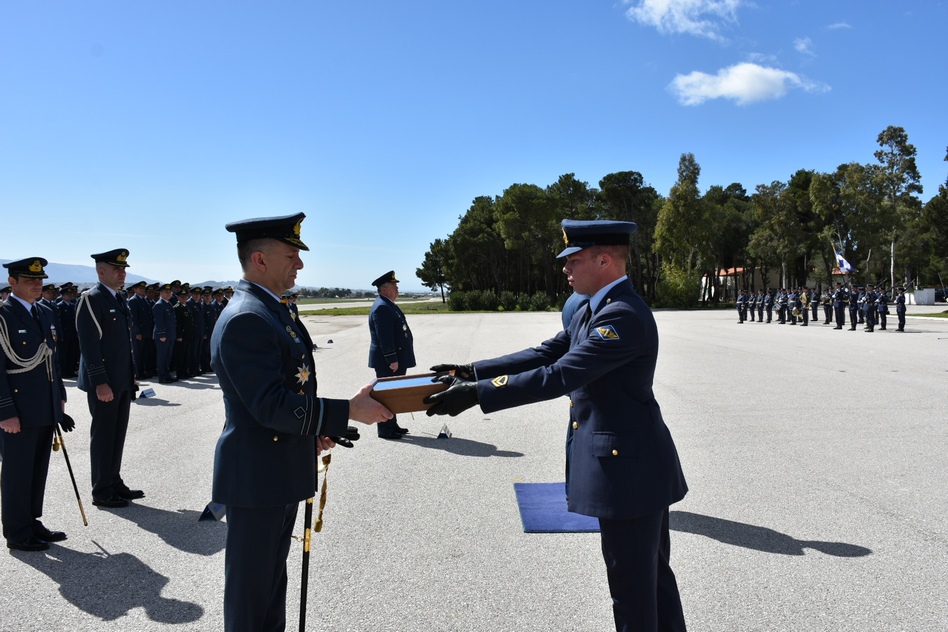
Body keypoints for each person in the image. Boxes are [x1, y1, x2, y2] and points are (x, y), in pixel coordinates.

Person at [426, 219, 688, 632]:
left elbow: (560, 375)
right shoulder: (592, 308)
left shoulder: (621, 316)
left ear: (604, 260)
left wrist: (478, 394)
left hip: (630, 474)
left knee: (634, 589)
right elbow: (545, 352)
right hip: (633, 468)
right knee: (649, 581)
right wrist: (472, 370)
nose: (564, 268)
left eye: (573, 259)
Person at [211, 212, 392, 632]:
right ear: (259, 259)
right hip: (256, 476)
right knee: (250, 594)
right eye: (291, 254)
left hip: (276, 466)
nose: (300, 264)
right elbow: (269, 405)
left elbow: (291, 392)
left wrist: (312, 429)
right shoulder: (247, 318)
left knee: (271, 586)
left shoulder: (273, 311)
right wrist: (347, 410)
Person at [0, 258, 71, 551]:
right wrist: (5, 411)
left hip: (44, 405)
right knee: (17, 471)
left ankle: (32, 520)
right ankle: (17, 531)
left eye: (39, 279)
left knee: (38, 467)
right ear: (12, 282)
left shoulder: (45, 311)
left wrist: (60, 396)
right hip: (18, 409)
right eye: (30, 280)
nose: (37, 284)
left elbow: (50, 358)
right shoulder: (4, 316)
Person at [76, 248, 143, 508]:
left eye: (124, 269)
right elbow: (89, 345)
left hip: (121, 380)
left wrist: (131, 377)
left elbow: (123, 344)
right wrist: (100, 382)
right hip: (104, 382)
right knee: (104, 436)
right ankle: (102, 490)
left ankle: (114, 481)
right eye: (117, 269)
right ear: (100, 271)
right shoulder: (91, 298)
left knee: (117, 434)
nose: (122, 273)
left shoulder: (119, 298)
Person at [368, 270, 416, 439]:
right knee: (386, 396)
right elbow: (385, 338)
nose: (397, 289)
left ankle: (392, 425)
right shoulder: (382, 308)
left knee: (393, 395)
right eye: (394, 286)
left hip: (394, 359)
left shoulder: (387, 304)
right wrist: (392, 359)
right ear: (383, 289)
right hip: (388, 361)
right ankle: (385, 430)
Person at [152, 283, 176, 384]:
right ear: (161, 293)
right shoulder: (159, 305)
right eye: (166, 292)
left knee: (167, 356)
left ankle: (167, 374)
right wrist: (162, 334)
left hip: (170, 335)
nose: (168, 293)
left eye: (170, 292)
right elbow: (159, 322)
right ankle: (162, 377)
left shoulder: (168, 304)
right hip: (163, 336)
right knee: (162, 357)